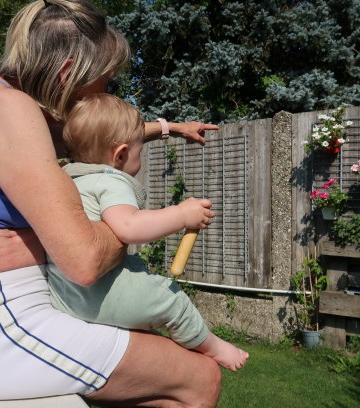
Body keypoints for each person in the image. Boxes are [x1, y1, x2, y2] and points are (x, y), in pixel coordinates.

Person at [0, 0, 221, 408]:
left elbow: (97, 137)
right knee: (198, 378)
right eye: (104, 82)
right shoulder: (7, 111)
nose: (105, 95)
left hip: (1, 313)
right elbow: (84, 261)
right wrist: (129, 224)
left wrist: (167, 128)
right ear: (69, 72)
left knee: (142, 407)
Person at [47, 93, 249, 373]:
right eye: (139, 151)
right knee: (172, 300)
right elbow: (129, 227)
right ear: (120, 155)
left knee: (129, 331)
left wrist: (171, 127)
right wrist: (181, 214)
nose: (139, 158)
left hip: (64, 295)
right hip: (99, 294)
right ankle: (214, 346)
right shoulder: (109, 180)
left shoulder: (65, 177)